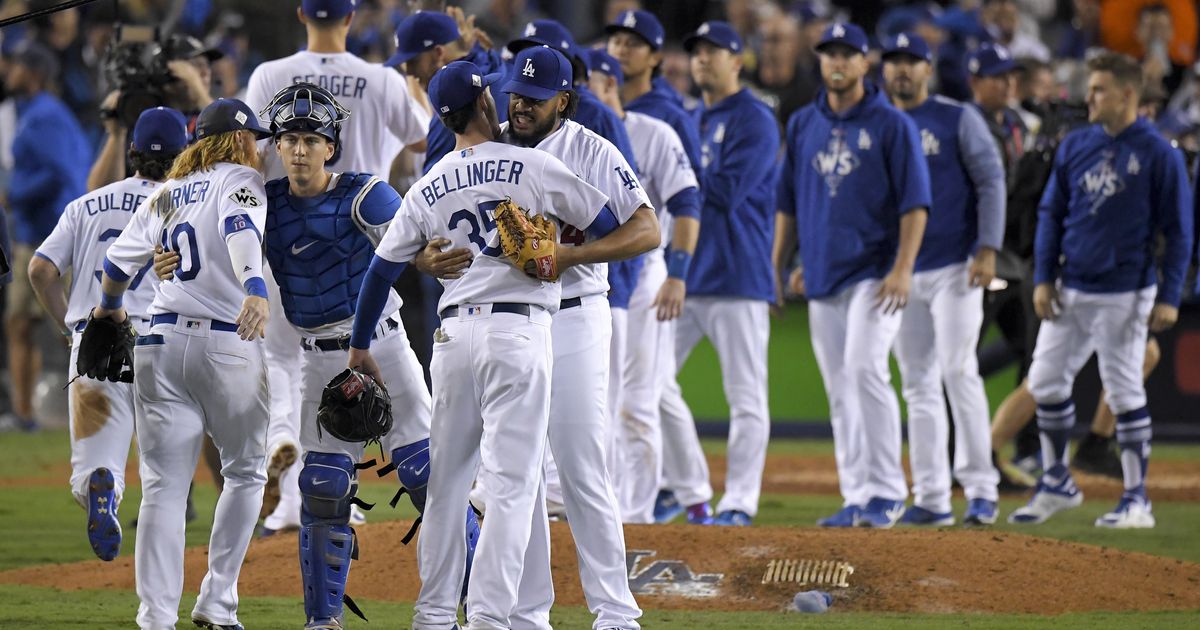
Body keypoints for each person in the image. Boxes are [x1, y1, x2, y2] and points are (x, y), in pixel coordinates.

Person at [346, 58, 630, 630]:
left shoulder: (430, 181)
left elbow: (380, 272)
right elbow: (609, 223)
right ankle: (492, 618)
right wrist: (556, 248)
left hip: (451, 340)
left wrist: (358, 348)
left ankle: (431, 616)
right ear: (485, 105)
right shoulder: (532, 164)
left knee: (449, 484)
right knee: (512, 485)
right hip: (518, 332)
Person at [243, 0, 431, 535]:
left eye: (310, 140)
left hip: (304, 247)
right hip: (360, 246)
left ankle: (282, 461)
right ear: (350, 18)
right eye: (292, 139)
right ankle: (296, 468)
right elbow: (422, 139)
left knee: (279, 363)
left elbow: (245, 154)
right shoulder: (382, 79)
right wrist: (417, 86)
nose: (299, 148)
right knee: (330, 462)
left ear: (302, 14)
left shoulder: (269, 75)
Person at [88, 98, 273, 630]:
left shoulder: (167, 194)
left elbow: (117, 263)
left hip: (160, 343)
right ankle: (217, 603)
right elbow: (240, 227)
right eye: (253, 139)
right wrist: (254, 288)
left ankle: (155, 618)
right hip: (226, 343)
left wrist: (110, 309)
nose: (257, 148)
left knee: (163, 488)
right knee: (244, 473)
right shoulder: (240, 177)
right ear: (237, 141)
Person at [492, 45, 657, 629]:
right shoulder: (490, 148)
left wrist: (572, 255)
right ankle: (527, 614)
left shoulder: (591, 149)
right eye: (515, 93)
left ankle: (616, 613)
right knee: (519, 471)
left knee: (582, 463)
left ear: (564, 100)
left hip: (575, 315)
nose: (521, 105)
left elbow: (647, 229)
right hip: (509, 322)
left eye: (535, 99)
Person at [1008, 52, 1193, 528]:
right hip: (1071, 286)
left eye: (1098, 90)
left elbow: (1179, 230)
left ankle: (1137, 500)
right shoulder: (1076, 145)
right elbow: (1051, 213)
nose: (1087, 97)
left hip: (1125, 291)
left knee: (1125, 389)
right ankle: (1056, 482)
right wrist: (1045, 275)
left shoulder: (1159, 154)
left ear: (1127, 95)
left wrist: (1170, 294)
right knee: (1045, 381)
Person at [774, 22, 931, 529]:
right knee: (841, 385)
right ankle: (857, 492)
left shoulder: (891, 124)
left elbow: (915, 205)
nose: (837, 62)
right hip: (821, 275)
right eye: (829, 54)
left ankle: (886, 491)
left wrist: (904, 269)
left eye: (848, 54)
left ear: (867, 63)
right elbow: (788, 202)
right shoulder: (803, 123)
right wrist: (778, 264)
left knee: (865, 369)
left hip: (875, 272)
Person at [28, 107, 185, 560]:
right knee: (165, 472)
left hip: (96, 338)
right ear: (184, 154)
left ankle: (104, 486)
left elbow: (40, 270)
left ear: (132, 152)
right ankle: (165, 563)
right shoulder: (186, 201)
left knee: (95, 462)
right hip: (163, 340)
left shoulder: (86, 204)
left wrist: (69, 327)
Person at [655, 20, 780, 527]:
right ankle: (672, 484)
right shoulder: (693, 117)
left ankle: (740, 502)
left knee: (746, 396)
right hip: (683, 276)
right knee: (649, 384)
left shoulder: (756, 118)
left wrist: (679, 180)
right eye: (698, 51)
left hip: (738, 274)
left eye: (715, 51)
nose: (703, 59)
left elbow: (725, 194)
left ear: (738, 60)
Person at [880, 33, 1005, 526]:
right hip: (902, 273)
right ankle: (932, 496)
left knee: (957, 370)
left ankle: (981, 489)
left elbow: (990, 178)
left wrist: (988, 248)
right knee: (917, 382)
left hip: (957, 266)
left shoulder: (956, 116)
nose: (902, 71)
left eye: (911, 62)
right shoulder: (882, 123)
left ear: (928, 69)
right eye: (893, 63)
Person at [586, 49, 701, 524]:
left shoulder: (654, 132)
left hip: (647, 271)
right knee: (600, 400)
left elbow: (688, 200)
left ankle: (638, 514)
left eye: (590, 82)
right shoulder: (573, 139)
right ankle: (609, 505)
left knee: (639, 399)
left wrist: (677, 273)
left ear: (610, 86)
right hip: (597, 277)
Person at [3, 41, 90, 433]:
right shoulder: (35, 112)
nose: (9, 70)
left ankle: (90, 412)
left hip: (50, 236)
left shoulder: (45, 116)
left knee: (68, 327)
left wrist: (15, 194)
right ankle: (25, 415)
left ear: (34, 73)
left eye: (17, 65)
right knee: (22, 323)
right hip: (36, 232)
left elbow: (65, 173)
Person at [87, 34, 223, 192]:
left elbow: (233, 143)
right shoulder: (140, 117)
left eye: (207, 65)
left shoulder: (207, 118)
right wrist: (117, 135)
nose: (204, 73)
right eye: (194, 65)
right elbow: (98, 192)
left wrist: (196, 87)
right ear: (165, 74)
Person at [386, 8, 504, 174]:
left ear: (439, 52)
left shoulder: (456, 106)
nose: (409, 73)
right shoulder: (492, 61)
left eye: (412, 62)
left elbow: (429, 193)